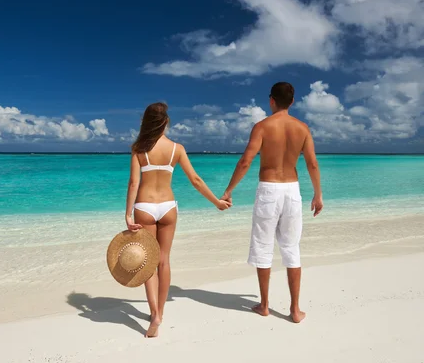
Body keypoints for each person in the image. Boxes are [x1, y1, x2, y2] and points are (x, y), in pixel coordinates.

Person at [125, 102, 231, 337]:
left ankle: (154, 314)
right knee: (164, 261)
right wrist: (216, 202)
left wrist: (128, 213)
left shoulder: (139, 149)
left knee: (147, 262)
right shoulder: (177, 149)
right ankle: (160, 312)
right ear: (166, 122)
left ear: (146, 122)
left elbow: (133, 183)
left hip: (144, 207)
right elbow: (196, 180)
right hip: (168, 207)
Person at [221, 82, 323, 323]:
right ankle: (295, 310)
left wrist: (229, 190)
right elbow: (312, 164)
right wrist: (318, 194)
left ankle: (265, 305)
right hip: (292, 191)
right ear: (293, 101)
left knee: (263, 246)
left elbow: (246, 161)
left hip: (268, 190)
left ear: (271, 101)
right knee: (291, 248)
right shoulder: (303, 128)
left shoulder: (262, 127)